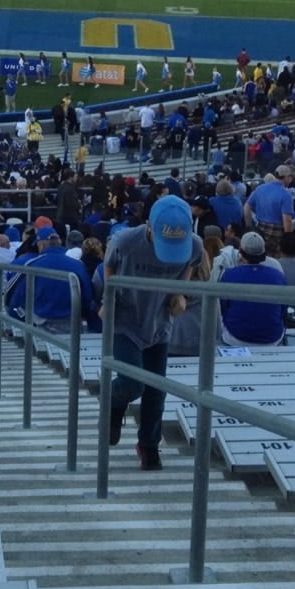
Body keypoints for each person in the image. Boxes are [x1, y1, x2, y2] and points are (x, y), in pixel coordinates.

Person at [103, 195, 203, 471]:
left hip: (158, 321)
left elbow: (191, 265)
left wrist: (180, 292)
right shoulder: (125, 240)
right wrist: (108, 299)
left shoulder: (194, 245)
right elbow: (108, 266)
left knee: (157, 389)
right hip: (126, 320)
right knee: (134, 382)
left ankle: (149, 445)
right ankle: (113, 402)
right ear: (149, 226)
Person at [218, 231, 287, 347]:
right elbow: (283, 310)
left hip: (236, 337)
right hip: (271, 338)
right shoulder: (278, 275)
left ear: (240, 251)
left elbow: (222, 308)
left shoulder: (229, 275)